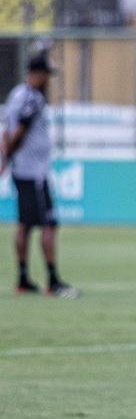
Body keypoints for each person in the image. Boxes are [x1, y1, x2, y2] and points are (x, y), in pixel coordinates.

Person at [1, 53, 78, 298]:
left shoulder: (15, 94)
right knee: (49, 224)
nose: (48, 80)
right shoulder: (32, 98)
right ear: (38, 74)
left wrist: (6, 158)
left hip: (23, 169)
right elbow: (18, 131)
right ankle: (53, 280)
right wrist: (7, 156)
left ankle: (23, 278)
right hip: (33, 172)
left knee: (25, 224)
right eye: (46, 75)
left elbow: (5, 130)